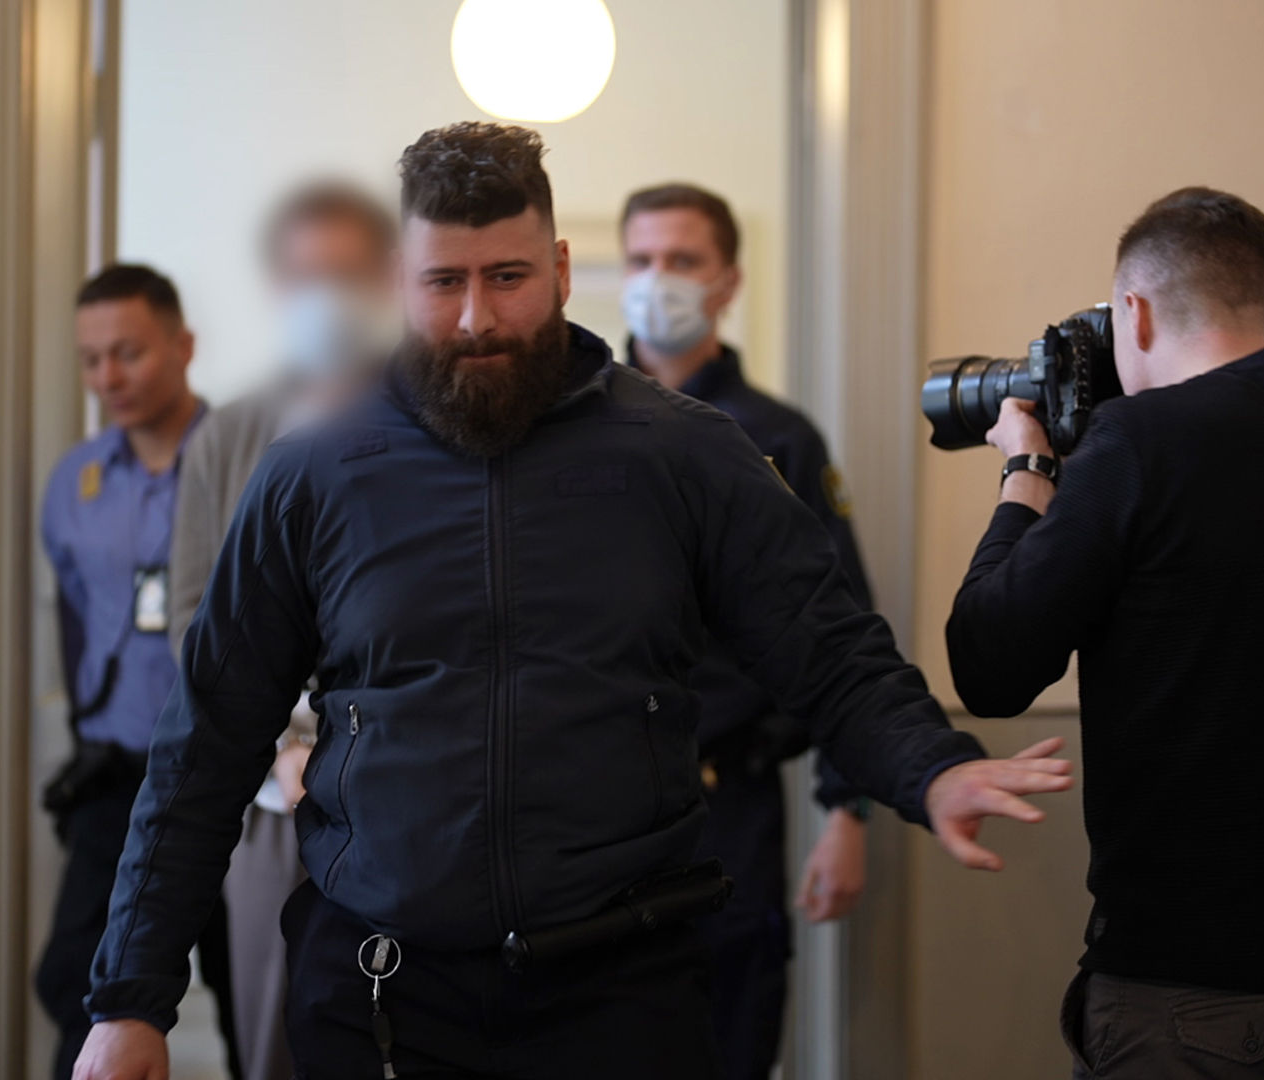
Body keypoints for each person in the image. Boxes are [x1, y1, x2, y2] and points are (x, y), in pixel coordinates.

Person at [72, 122, 1074, 1080]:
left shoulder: (683, 452)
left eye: (507, 278)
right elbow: (207, 742)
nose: (476, 318)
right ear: (400, 281)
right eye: (444, 282)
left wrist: (930, 766)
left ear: (556, 267)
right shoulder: (314, 475)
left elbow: (827, 648)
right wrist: (130, 999)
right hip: (383, 994)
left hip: (623, 992)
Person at [946, 187, 1264, 1080]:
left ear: (1132, 314)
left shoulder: (1139, 444)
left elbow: (989, 665)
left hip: (1191, 990)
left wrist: (1027, 469)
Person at [619, 181, 872, 1080]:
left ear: (727, 281)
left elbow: (842, 632)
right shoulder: (569, 430)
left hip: (728, 807)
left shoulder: (778, 439)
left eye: (682, 260)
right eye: (641, 259)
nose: (658, 279)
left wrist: (847, 810)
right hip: (590, 812)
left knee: (730, 1043)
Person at [168, 179, 397, 1080]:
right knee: (274, 1036)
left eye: (347, 273)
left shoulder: (431, 421)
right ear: (276, 286)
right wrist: (278, 755)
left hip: (405, 793)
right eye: (306, 275)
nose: (326, 295)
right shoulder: (228, 437)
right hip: (271, 804)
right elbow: (196, 623)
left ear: (385, 277)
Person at [34, 264, 241, 1080]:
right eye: (91, 360)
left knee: (252, 990)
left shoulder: (245, 460)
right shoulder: (76, 481)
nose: (107, 378)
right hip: (117, 776)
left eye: (128, 353)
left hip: (230, 775)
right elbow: (72, 614)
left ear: (183, 345)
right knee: (76, 982)